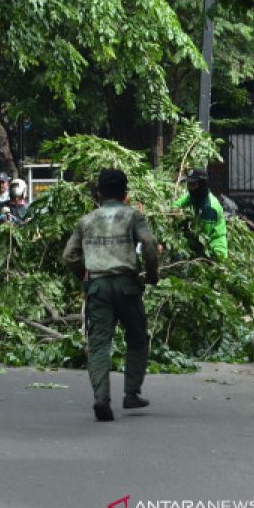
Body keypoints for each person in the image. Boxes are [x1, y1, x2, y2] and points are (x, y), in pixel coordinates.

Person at [62, 168, 159, 422]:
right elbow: (149, 244)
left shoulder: (86, 220)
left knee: (100, 344)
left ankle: (101, 398)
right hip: (127, 285)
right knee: (137, 337)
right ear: (126, 194)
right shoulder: (133, 216)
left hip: (98, 286)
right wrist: (151, 275)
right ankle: (131, 392)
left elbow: (68, 255)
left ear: (99, 193)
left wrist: (84, 273)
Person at [173, 168, 228, 261]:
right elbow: (177, 204)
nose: (190, 188)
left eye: (193, 185)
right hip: (203, 246)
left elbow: (202, 236)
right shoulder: (195, 195)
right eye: (189, 185)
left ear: (202, 184)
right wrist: (175, 210)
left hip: (214, 251)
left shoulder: (210, 207)